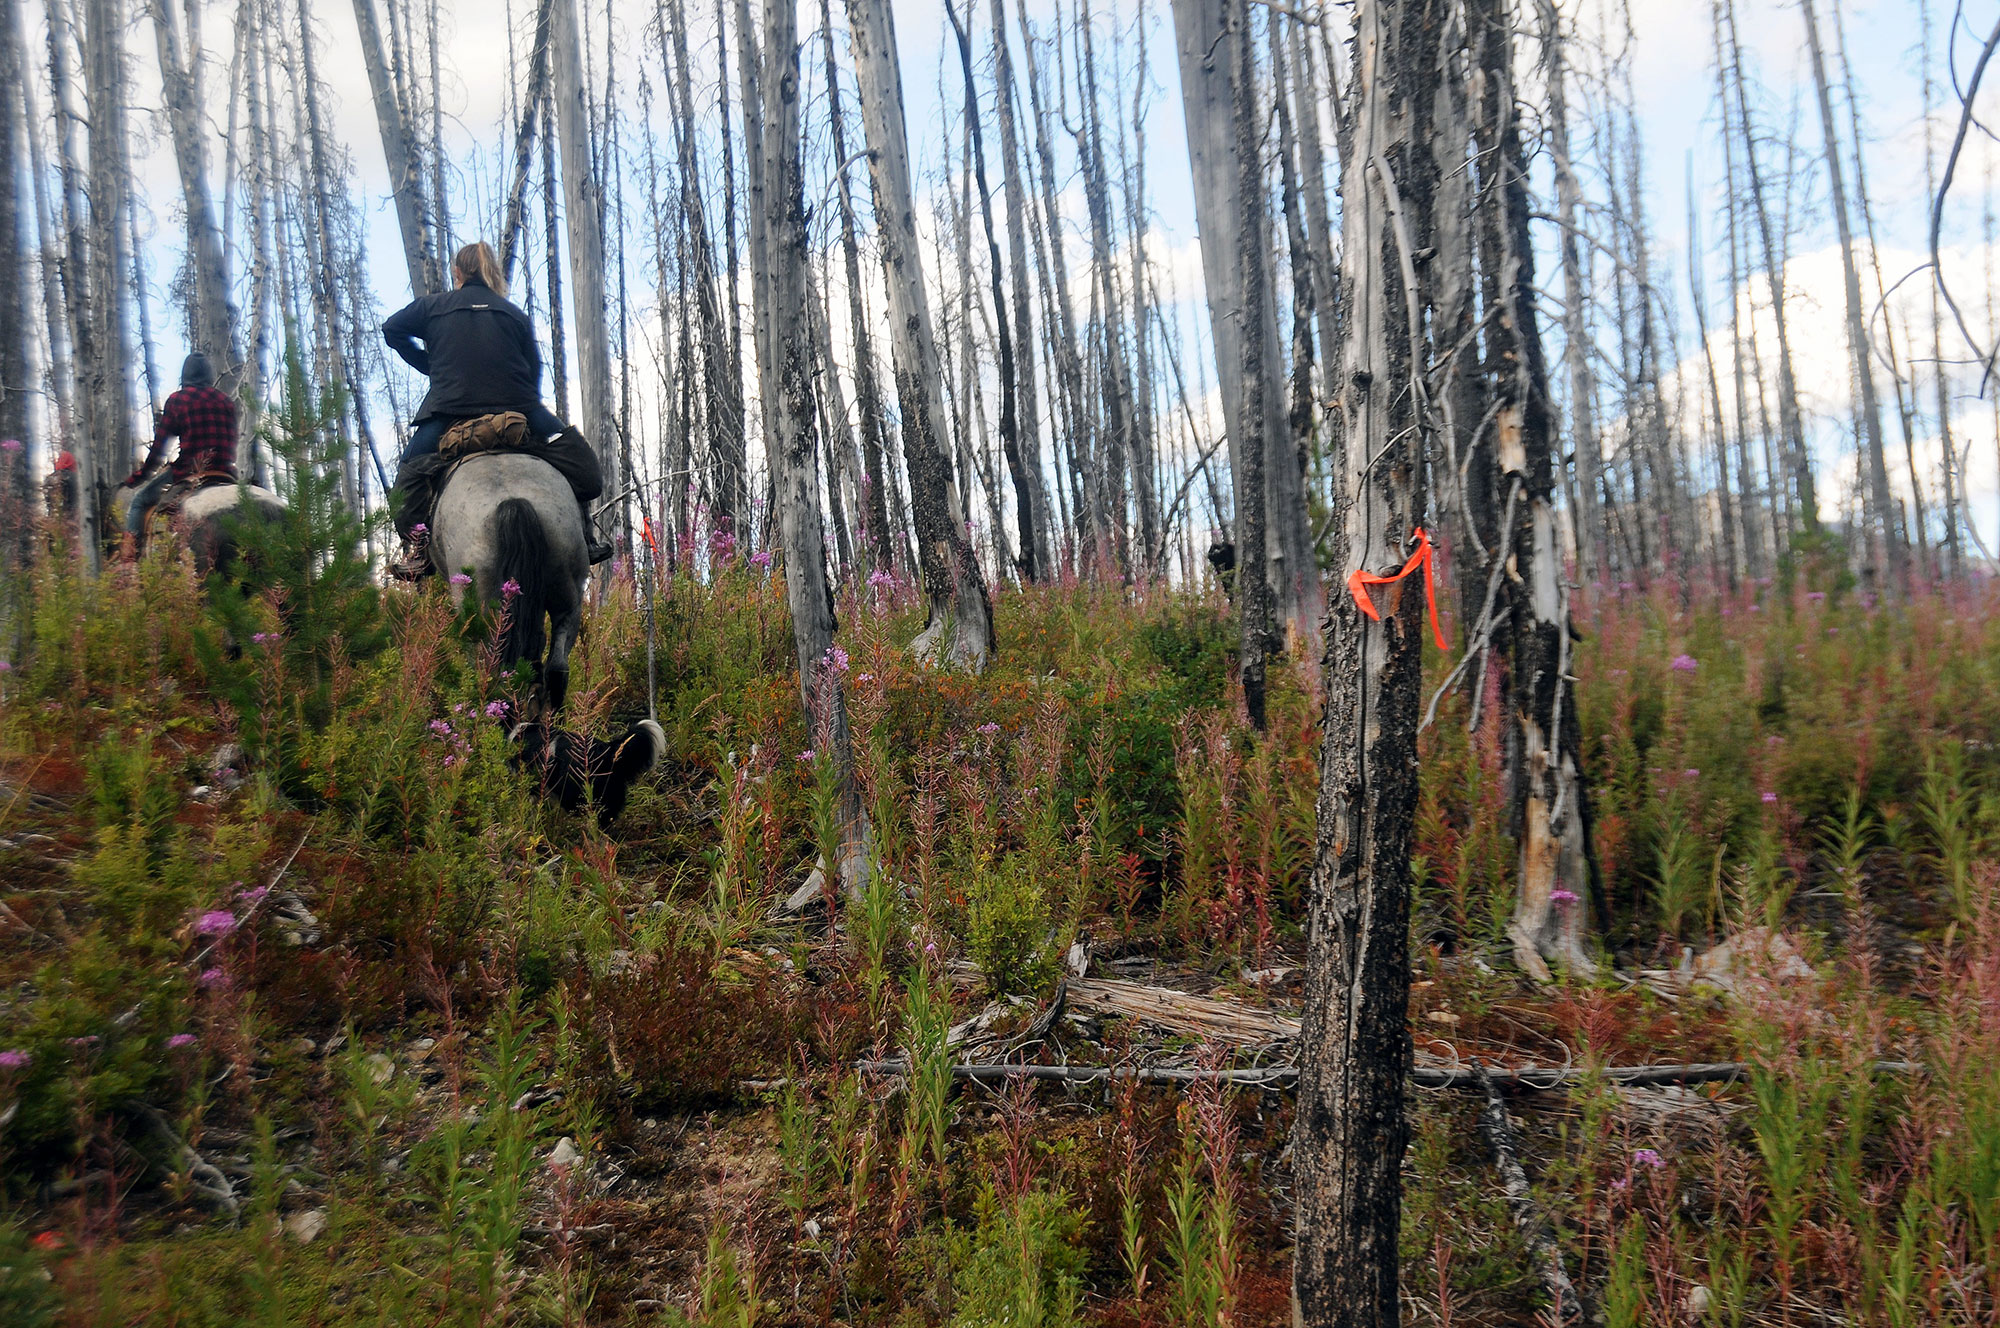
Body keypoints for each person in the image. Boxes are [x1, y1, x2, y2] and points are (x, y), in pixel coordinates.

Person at [384, 241, 611, 578]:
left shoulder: (432, 307)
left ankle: (418, 552)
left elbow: (392, 329)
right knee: (579, 465)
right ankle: (585, 535)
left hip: (449, 411)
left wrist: (430, 365)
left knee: (407, 479)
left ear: (457, 273)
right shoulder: (513, 314)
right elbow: (533, 370)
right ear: (492, 271)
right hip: (517, 409)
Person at [125, 352, 237, 547]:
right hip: (225, 472)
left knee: (139, 501)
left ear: (185, 376)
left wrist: (139, 477)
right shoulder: (226, 401)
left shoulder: (178, 400)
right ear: (210, 376)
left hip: (190, 472)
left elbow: (159, 450)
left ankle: (129, 562)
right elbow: (234, 439)